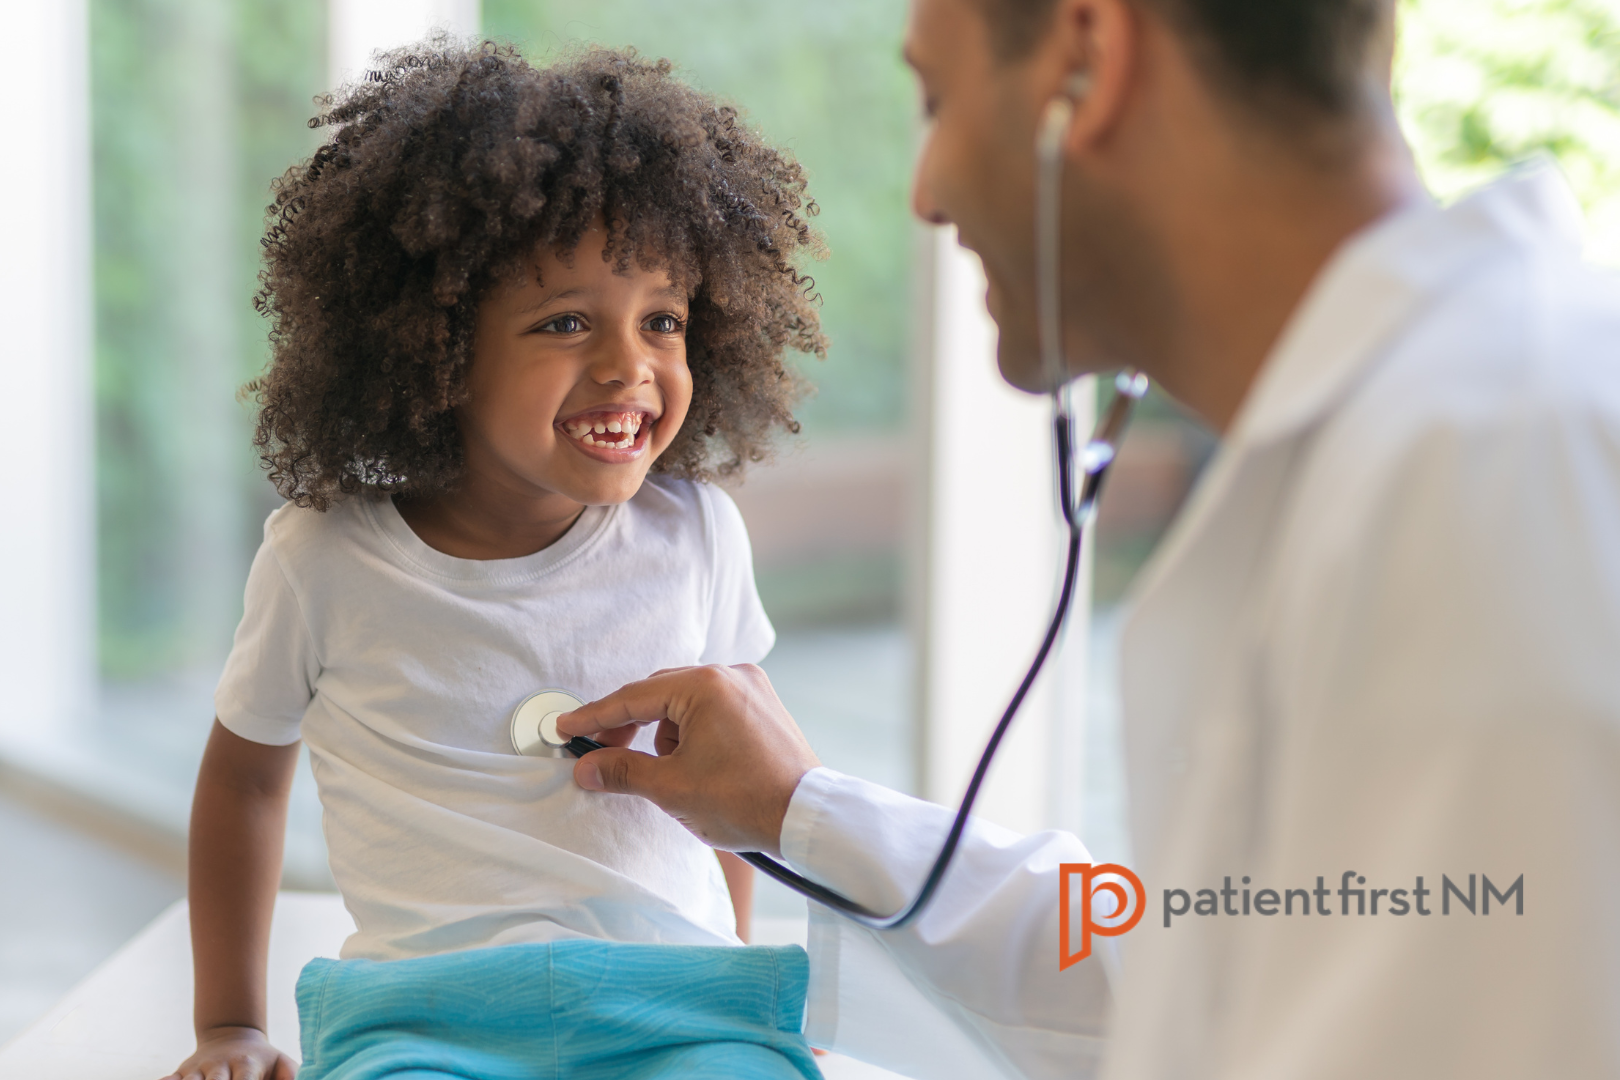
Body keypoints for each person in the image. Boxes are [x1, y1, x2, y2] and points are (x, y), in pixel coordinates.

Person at [557, 0, 1620, 1077]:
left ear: (1086, 59)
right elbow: (1186, 970)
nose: (926, 193)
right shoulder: (1421, 451)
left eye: (939, 99)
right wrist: (800, 811)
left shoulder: (1497, 474)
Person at [163, 42, 832, 1080]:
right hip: (423, 1022)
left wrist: (731, 971)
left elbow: (728, 781)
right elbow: (247, 783)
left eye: (664, 319)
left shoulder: (697, 536)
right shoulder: (323, 560)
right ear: (431, 348)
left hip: (674, 1005)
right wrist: (229, 1028)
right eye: (565, 322)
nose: (630, 366)